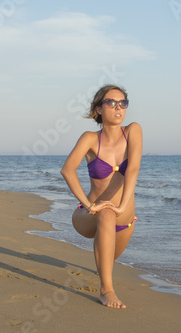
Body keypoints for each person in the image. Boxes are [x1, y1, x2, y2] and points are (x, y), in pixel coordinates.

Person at [61, 84, 142, 308]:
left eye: (122, 103)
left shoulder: (133, 131)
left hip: (125, 219)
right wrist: (89, 205)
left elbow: (133, 168)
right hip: (89, 215)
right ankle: (106, 291)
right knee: (106, 213)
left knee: (107, 261)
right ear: (98, 108)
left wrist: (122, 207)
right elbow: (67, 170)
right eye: (111, 102)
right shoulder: (89, 138)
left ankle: (103, 273)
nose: (118, 107)